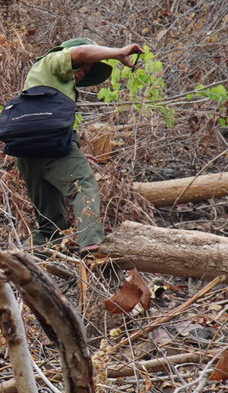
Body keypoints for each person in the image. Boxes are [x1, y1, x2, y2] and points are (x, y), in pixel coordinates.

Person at [15, 36, 142, 249]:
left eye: (90, 69)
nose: (85, 70)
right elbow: (81, 53)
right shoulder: (52, 61)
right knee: (84, 184)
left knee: (51, 226)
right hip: (47, 142)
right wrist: (118, 52)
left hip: (25, 149)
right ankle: (92, 244)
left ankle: (28, 267)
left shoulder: (52, 81)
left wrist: (75, 151)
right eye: (85, 65)